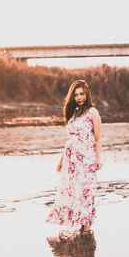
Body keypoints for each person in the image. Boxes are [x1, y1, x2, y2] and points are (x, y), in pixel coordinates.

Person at [46, 80, 102, 233]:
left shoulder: (93, 112)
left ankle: (86, 230)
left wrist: (98, 159)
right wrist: (62, 159)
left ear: (87, 94)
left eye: (81, 94)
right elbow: (70, 140)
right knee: (75, 193)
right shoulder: (74, 112)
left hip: (87, 159)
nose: (79, 97)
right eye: (76, 94)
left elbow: (97, 138)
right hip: (72, 160)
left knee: (86, 193)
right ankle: (81, 227)